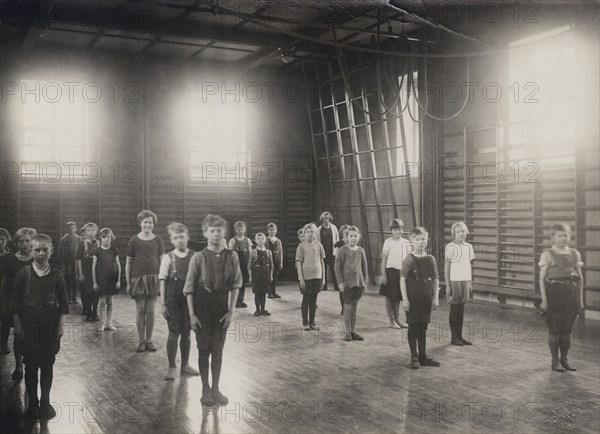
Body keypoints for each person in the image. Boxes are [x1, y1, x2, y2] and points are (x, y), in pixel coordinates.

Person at [184, 214, 241, 406]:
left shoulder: (231, 256)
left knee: (218, 350)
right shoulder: (198, 257)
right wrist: (192, 315)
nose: (216, 234)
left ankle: (216, 389)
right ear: (205, 233)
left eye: (219, 231)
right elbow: (190, 289)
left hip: (221, 307)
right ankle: (205, 390)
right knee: (203, 349)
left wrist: (231, 311)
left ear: (224, 233)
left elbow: (235, 285)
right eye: (212, 231)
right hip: (202, 306)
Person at [10, 234, 69, 419]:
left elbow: (64, 303)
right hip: (29, 326)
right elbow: (14, 303)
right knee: (31, 366)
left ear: (51, 250)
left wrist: (60, 325)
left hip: (50, 327)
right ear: (31, 250)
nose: (41, 253)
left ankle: (45, 402)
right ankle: (33, 405)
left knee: (47, 366)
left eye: (45, 249)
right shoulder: (24, 274)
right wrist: (18, 326)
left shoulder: (57, 274)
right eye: (37, 249)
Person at [539, 222, 584, 372]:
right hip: (554, 294)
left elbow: (580, 279)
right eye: (560, 236)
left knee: (567, 330)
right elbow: (541, 279)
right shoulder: (547, 255)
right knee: (555, 330)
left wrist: (580, 300)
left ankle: (564, 359)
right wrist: (544, 300)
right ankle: (555, 361)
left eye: (566, 235)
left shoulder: (575, 253)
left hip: (571, 294)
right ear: (552, 238)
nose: (564, 238)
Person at [159, 223, 199, 381]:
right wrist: (163, 304)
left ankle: (185, 365)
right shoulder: (168, 257)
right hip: (172, 298)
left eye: (181, 237)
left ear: (187, 237)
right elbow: (162, 281)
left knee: (187, 333)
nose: (179, 240)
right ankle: (171, 367)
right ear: (171, 240)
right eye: (175, 238)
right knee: (173, 333)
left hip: (189, 298)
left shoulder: (195, 256)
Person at [401, 227, 440, 369]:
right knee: (413, 327)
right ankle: (414, 357)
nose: (420, 242)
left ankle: (423, 356)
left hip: (426, 299)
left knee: (423, 327)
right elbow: (402, 280)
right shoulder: (409, 259)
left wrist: (435, 298)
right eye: (417, 239)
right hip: (412, 298)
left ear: (427, 240)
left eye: (423, 239)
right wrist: (405, 299)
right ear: (412, 241)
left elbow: (435, 279)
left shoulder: (431, 259)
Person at [126, 210, 165, 352]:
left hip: (154, 278)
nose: (148, 224)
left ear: (153, 224)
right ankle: (141, 341)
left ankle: (149, 340)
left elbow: (163, 261)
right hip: (138, 278)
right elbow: (128, 262)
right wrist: (129, 282)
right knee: (140, 309)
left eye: (150, 222)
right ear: (140, 223)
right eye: (145, 222)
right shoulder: (134, 240)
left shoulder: (158, 240)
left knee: (151, 310)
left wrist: (163, 279)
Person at [1, 227, 36, 381]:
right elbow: (5, 284)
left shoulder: (36, 258)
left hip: (34, 305)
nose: (24, 244)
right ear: (16, 243)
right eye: (21, 241)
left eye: (27, 241)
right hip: (16, 305)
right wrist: (4, 303)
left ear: (32, 242)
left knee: (32, 336)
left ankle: (30, 365)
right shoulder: (10, 260)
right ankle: (18, 366)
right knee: (18, 336)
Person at [335, 226, 368, 342]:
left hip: (358, 284)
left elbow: (364, 267)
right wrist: (340, 282)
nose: (353, 238)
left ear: (359, 237)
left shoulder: (361, 250)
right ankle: (347, 332)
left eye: (355, 236)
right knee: (348, 308)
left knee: (354, 308)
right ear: (346, 238)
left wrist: (364, 282)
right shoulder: (342, 250)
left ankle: (354, 331)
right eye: (351, 236)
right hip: (347, 284)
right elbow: (337, 267)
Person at [445, 222, 475, 346]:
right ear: (454, 234)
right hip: (454, 280)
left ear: (466, 232)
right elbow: (447, 266)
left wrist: (469, 281)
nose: (461, 234)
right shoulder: (450, 247)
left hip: (465, 280)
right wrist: (448, 285)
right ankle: (454, 337)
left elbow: (468, 266)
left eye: (463, 231)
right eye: (458, 232)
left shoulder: (469, 247)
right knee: (455, 308)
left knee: (461, 309)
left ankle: (460, 336)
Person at [380, 219, 410, 329]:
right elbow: (384, 259)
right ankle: (391, 320)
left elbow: (407, 260)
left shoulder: (406, 242)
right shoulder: (388, 242)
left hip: (401, 272)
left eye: (399, 229)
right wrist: (383, 275)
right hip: (390, 271)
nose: (397, 232)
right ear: (391, 231)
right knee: (389, 297)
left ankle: (398, 319)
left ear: (402, 230)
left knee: (397, 297)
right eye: (395, 230)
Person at [296, 223, 325, 331]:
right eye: (307, 232)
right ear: (305, 233)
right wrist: (301, 278)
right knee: (306, 299)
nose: (309, 234)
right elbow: (299, 263)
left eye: (312, 232)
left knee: (314, 300)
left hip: (317, 277)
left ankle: (312, 322)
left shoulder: (319, 245)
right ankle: (305, 323)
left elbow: (322, 262)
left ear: (315, 233)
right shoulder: (301, 246)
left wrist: (323, 278)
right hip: (306, 278)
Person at [92, 228, 121, 332]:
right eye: (103, 237)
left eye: (108, 237)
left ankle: (109, 323)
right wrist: (95, 282)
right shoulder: (97, 251)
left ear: (111, 238)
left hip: (112, 280)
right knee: (102, 302)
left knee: (110, 302)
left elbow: (118, 265)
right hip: (101, 281)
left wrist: (118, 281)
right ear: (100, 238)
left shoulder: (114, 250)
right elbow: (93, 267)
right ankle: (102, 324)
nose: (106, 239)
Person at [76, 222, 99, 321]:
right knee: (88, 292)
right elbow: (78, 259)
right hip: (86, 271)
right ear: (85, 232)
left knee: (96, 292)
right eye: (88, 230)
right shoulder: (82, 244)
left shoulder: (98, 243)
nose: (90, 232)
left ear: (96, 232)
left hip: (97, 271)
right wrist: (80, 274)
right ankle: (89, 312)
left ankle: (95, 313)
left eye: (92, 230)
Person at [228, 221, 252, 309]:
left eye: (242, 229)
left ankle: (241, 300)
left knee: (243, 283)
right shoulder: (233, 240)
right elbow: (230, 252)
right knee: (236, 283)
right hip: (236, 264)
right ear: (235, 230)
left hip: (244, 264)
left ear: (245, 230)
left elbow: (250, 252)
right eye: (239, 229)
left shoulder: (248, 240)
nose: (240, 230)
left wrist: (250, 263)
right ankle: (236, 301)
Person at [249, 233, 274, 316]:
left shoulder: (268, 252)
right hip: (256, 276)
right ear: (255, 240)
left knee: (264, 293)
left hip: (265, 276)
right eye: (258, 239)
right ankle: (257, 310)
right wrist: (250, 276)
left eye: (262, 238)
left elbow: (271, 265)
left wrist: (271, 276)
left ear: (265, 240)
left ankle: (263, 309)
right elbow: (249, 266)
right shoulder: (253, 252)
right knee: (257, 293)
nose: (260, 240)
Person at [315, 212, 339, 291]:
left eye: (327, 218)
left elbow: (337, 239)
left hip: (331, 252)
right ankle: (324, 286)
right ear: (322, 219)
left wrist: (336, 250)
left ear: (330, 219)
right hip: (323, 252)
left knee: (333, 270)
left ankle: (336, 286)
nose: (326, 220)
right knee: (323, 269)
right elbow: (317, 241)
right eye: (324, 219)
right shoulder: (319, 229)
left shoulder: (334, 228)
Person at [58, 222, 81, 304]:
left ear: (76, 228)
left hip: (76, 262)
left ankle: (74, 296)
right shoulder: (63, 239)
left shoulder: (79, 239)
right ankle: (68, 297)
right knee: (68, 279)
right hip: (67, 263)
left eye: (73, 228)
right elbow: (60, 252)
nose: (71, 229)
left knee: (75, 279)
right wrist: (61, 264)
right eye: (70, 228)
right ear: (67, 229)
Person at [0, 228, 13, 355]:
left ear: (6, 241)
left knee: (5, 319)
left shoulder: (10, 257)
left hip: (5, 293)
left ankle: (3, 343)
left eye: (2, 239)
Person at [266, 223, 283, 299]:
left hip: (276, 260)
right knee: (269, 276)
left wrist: (281, 262)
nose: (272, 231)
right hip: (269, 261)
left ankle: (274, 292)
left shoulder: (278, 240)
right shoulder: (266, 240)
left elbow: (281, 252)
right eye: (270, 230)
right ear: (268, 230)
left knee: (275, 277)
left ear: (276, 231)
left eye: (273, 230)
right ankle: (269, 292)